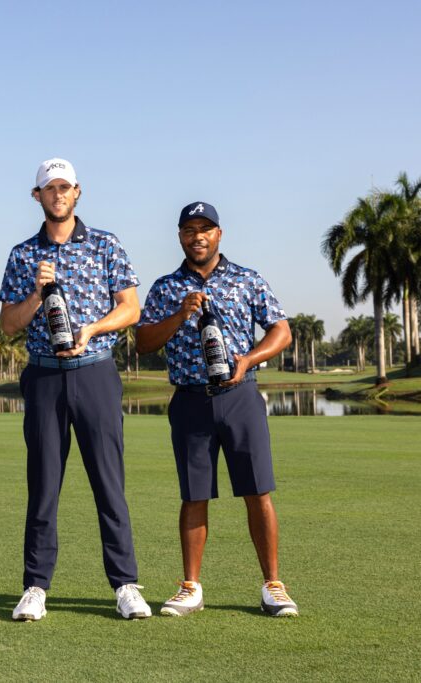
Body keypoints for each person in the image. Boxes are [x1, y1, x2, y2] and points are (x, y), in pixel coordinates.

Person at [0, 158, 152, 621]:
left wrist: (93, 328)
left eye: (65, 187)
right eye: (50, 188)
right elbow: (8, 325)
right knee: (43, 485)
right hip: (44, 376)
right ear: (37, 196)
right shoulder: (23, 254)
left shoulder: (105, 244)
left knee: (109, 483)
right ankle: (35, 587)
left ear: (77, 192)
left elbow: (130, 308)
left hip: (95, 372)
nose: (58, 194)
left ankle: (125, 585)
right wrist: (35, 294)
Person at [136, 200, 299, 618]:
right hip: (190, 400)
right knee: (194, 495)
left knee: (257, 491)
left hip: (241, 396)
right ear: (180, 236)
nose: (198, 237)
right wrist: (180, 314)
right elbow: (144, 342)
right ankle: (190, 587)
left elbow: (282, 331)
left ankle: (273, 585)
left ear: (219, 234)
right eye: (190, 230)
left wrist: (249, 360)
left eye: (205, 229)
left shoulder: (247, 279)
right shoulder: (166, 287)